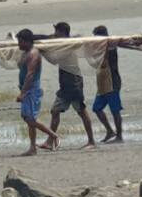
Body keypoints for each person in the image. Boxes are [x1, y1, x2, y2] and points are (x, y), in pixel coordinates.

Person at [45, 21, 97, 150]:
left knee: (79, 111)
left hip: (73, 81)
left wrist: (42, 51)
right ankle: (50, 141)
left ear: (62, 32)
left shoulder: (69, 45)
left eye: (56, 32)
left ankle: (91, 141)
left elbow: (54, 60)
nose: (54, 34)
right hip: (67, 81)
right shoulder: (65, 43)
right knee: (57, 111)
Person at [13, 28, 58, 156]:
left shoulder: (34, 54)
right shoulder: (25, 52)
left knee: (29, 119)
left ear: (27, 42)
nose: (19, 44)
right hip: (26, 89)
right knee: (29, 119)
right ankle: (32, 148)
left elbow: (30, 74)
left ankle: (53, 136)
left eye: (20, 41)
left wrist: (22, 93)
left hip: (31, 89)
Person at [91, 24, 125, 143]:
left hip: (112, 82)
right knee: (96, 108)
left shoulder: (110, 46)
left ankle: (119, 136)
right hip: (102, 83)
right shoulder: (99, 47)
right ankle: (110, 131)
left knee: (115, 110)